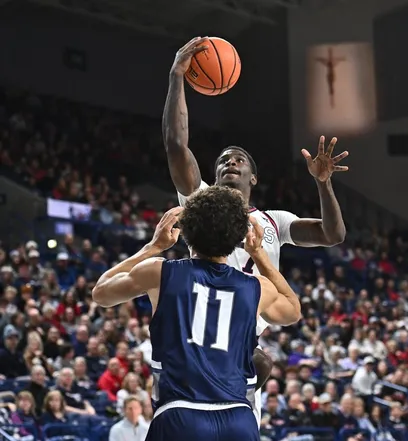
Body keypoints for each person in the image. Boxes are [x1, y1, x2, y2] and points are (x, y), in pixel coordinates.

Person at [164, 36, 348, 424]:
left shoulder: (274, 220)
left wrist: (323, 183)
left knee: (255, 375)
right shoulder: (198, 200)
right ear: (214, 175)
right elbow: (177, 145)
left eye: (240, 159)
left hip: (246, 339)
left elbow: (333, 235)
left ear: (254, 176)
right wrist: (177, 77)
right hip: (200, 331)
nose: (231, 161)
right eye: (224, 160)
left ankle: (246, 377)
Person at [92, 186, 302, 439]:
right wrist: (259, 255)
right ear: (237, 237)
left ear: (187, 231)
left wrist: (152, 246)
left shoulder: (159, 271)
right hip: (238, 420)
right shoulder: (258, 287)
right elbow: (293, 311)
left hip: (180, 415)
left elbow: (101, 293)